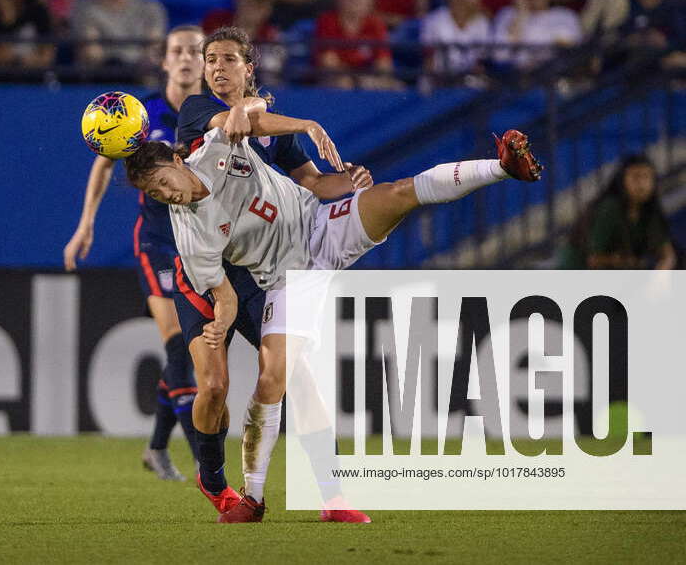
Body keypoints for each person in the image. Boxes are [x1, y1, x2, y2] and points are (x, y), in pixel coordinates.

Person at [125, 118, 542, 524]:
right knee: (247, 383)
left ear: (178, 161)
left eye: (162, 181)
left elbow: (262, 133)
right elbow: (225, 294)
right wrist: (222, 320)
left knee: (397, 194)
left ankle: (500, 168)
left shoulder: (228, 138)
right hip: (263, 280)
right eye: (153, 192)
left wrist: (308, 129)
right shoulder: (191, 217)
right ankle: (231, 487)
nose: (164, 194)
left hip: (315, 232)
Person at [170, 26, 379, 523]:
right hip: (204, 271)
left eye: (228, 60)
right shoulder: (195, 112)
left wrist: (350, 183)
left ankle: (332, 495)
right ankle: (213, 476)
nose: (217, 68)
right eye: (211, 59)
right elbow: (238, 122)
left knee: (295, 380)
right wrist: (303, 122)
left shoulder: (269, 124)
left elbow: (312, 182)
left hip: (257, 274)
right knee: (215, 386)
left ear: (249, 67)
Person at [64, 25, 208, 481]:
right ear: (164, 61)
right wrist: (86, 222)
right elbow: (104, 161)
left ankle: (156, 448)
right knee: (179, 346)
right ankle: (211, 471)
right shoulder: (140, 115)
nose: (185, 58)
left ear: (205, 61)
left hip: (203, 245)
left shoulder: (216, 114)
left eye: (194, 51)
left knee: (190, 350)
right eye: (177, 51)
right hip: (159, 242)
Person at [561, 154, 677, 270]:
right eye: (635, 177)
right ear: (622, 180)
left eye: (646, 177)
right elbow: (594, 259)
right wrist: (628, 261)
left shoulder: (650, 210)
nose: (642, 184)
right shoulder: (610, 208)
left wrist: (661, 273)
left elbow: (667, 254)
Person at [491, 0, 581, 70]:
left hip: (549, 80)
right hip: (512, 79)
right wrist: (521, 15)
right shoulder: (506, 14)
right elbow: (500, 56)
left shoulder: (565, 16)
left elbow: (566, 53)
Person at [313, 0, 397, 89]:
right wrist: (359, 79)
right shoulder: (327, 21)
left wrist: (370, 80)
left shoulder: (376, 24)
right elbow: (329, 63)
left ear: (371, 0)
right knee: (343, 83)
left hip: (366, 79)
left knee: (396, 87)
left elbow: (384, 64)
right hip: (335, 80)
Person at [420, 0, 490, 78]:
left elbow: (480, 65)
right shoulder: (434, 21)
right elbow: (429, 64)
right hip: (439, 85)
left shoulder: (482, 23)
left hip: (469, 86)